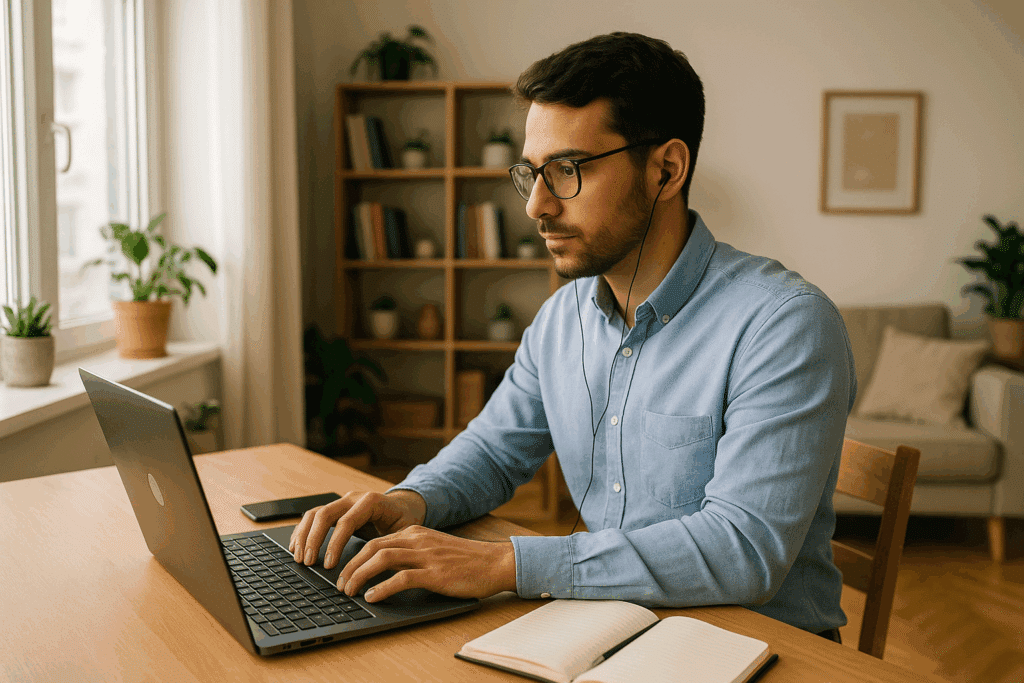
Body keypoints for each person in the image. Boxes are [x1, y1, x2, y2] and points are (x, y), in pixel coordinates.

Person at [290, 31, 856, 641]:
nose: (535, 206)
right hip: (609, 626)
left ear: (666, 169)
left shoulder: (784, 324)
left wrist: (507, 562)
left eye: (566, 171)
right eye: (531, 173)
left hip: (759, 648)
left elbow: (742, 549)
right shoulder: (563, 319)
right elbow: (493, 451)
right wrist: (408, 501)